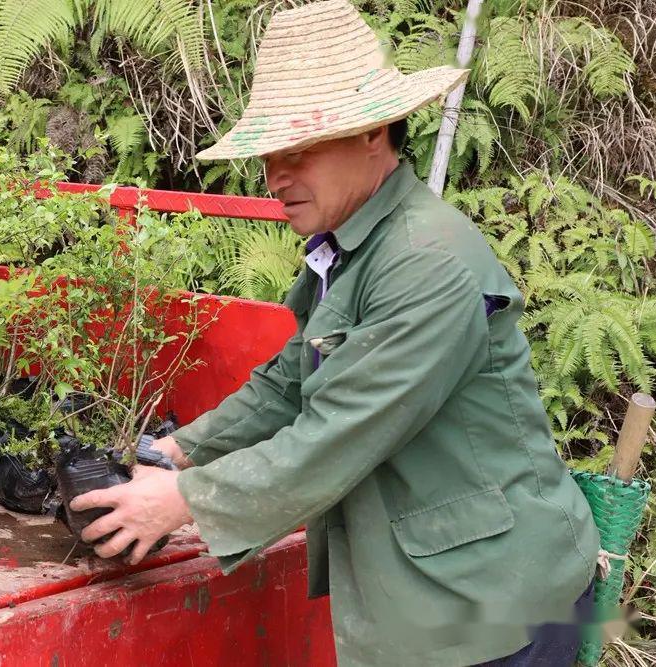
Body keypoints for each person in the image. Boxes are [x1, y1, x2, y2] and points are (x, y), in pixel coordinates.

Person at [69, 1, 600, 664]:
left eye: (299, 150)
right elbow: (290, 383)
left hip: (493, 596)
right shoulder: (354, 249)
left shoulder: (425, 264)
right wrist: (179, 452)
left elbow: (337, 432)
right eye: (269, 155)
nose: (275, 178)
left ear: (373, 132)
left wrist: (182, 501)